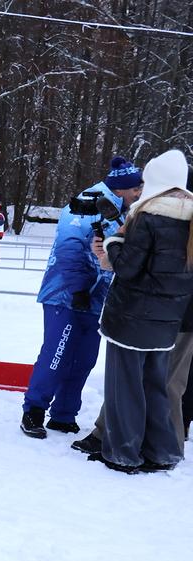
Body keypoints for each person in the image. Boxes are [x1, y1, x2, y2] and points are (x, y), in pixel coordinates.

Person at [20, 156, 143, 438]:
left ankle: (64, 414)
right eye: (136, 188)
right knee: (57, 352)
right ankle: (34, 411)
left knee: (84, 357)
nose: (140, 193)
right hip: (64, 294)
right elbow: (68, 249)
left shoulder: (123, 210)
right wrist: (77, 290)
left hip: (98, 296)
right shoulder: (85, 203)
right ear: (121, 188)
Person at [88, 150, 192, 473]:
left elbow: (128, 268)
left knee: (125, 387)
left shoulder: (148, 216)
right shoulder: (189, 219)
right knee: (155, 387)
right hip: (167, 321)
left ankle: (123, 453)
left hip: (131, 319)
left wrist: (113, 244)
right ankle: (162, 452)